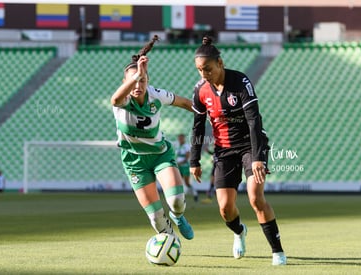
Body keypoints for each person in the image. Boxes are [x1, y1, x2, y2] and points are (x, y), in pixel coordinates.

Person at [189, 36, 286, 265]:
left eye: (208, 69)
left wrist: (258, 158)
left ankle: (278, 252)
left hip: (249, 145)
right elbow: (197, 125)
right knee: (224, 208)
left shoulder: (240, 82)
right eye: (200, 70)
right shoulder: (200, 91)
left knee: (256, 198)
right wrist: (194, 160)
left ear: (220, 63)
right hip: (223, 150)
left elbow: (254, 121)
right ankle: (239, 231)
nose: (204, 74)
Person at [111, 35, 194, 241]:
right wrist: (135, 74)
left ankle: (178, 215)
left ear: (148, 80)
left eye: (142, 79)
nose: (138, 84)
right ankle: (171, 244)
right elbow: (114, 99)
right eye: (133, 81)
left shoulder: (156, 94)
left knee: (176, 200)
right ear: (125, 83)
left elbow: (185, 103)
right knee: (157, 219)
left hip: (160, 155)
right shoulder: (122, 101)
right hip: (134, 162)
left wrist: (211, 114)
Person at [175, 133, 198, 202]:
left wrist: (181, 163)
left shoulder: (186, 146)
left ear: (184, 138)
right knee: (179, 182)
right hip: (179, 166)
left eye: (181, 138)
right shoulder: (178, 146)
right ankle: (181, 197)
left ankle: (195, 193)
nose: (180, 139)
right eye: (179, 138)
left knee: (187, 182)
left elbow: (187, 157)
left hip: (185, 166)